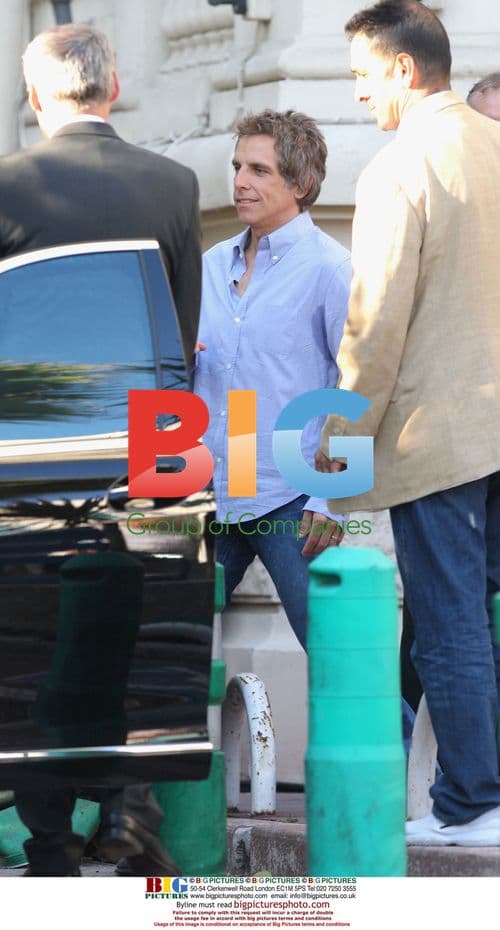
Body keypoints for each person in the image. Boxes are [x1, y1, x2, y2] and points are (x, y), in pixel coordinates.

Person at [0, 22, 203, 877]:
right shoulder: (175, 182)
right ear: (112, 86)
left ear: (37, 96)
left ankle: (45, 839)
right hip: (161, 430)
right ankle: (126, 812)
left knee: (35, 633)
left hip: (31, 437)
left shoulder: (9, 185)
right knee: (150, 630)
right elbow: (186, 326)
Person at [318, 0, 500, 845]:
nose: (358, 96)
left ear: (401, 68)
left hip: (442, 438)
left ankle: (471, 803)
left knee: (449, 623)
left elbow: (374, 330)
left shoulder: (400, 167)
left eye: (360, 77)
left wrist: (336, 463)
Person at [194, 109, 351, 650]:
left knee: (338, 658)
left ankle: (398, 741)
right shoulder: (211, 264)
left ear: (301, 184)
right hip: (209, 487)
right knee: (166, 644)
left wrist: (334, 499)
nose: (239, 181)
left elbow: (359, 385)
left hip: (290, 494)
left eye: (259, 170)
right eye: (238, 166)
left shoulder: (332, 268)